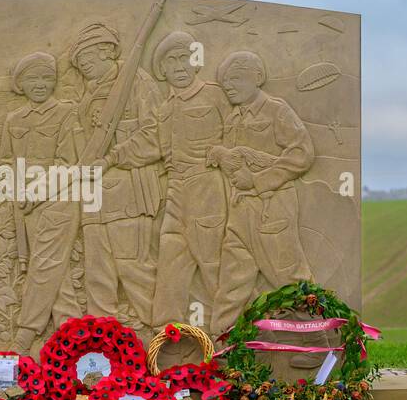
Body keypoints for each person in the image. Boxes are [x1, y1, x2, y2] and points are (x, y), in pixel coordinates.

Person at [102, 31, 231, 327]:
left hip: (207, 189)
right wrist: (109, 158)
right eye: (171, 61)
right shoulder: (165, 108)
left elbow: (238, 134)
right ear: (162, 70)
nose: (179, 66)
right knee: (170, 263)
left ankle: (233, 336)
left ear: (195, 61)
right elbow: (148, 143)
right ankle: (165, 336)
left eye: (184, 58)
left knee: (214, 265)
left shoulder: (214, 95)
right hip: (176, 191)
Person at [57, 22, 162, 326]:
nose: (82, 65)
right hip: (94, 200)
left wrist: (114, 157)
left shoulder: (136, 82)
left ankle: (163, 345)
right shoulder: (86, 96)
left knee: (136, 272)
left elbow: (155, 134)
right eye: (77, 62)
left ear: (106, 49)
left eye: (86, 56)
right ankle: (104, 354)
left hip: (129, 195)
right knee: (98, 278)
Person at [208, 51, 315, 337]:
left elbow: (301, 154)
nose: (228, 86)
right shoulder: (233, 118)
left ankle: (320, 344)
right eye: (224, 81)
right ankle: (221, 352)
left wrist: (256, 181)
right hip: (239, 212)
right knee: (231, 286)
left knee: (291, 279)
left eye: (235, 79)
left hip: (271, 209)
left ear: (257, 78)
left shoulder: (276, 110)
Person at [0, 52, 81, 352]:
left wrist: (35, 192)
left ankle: (26, 332)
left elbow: (69, 162)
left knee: (45, 263)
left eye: (47, 78)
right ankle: (72, 336)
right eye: (33, 78)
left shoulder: (66, 113)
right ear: (21, 83)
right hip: (26, 206)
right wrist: (14, 188)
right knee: (55, 270)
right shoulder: (14, 120)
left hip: (59, 200)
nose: (41, 84)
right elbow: (4, 161)